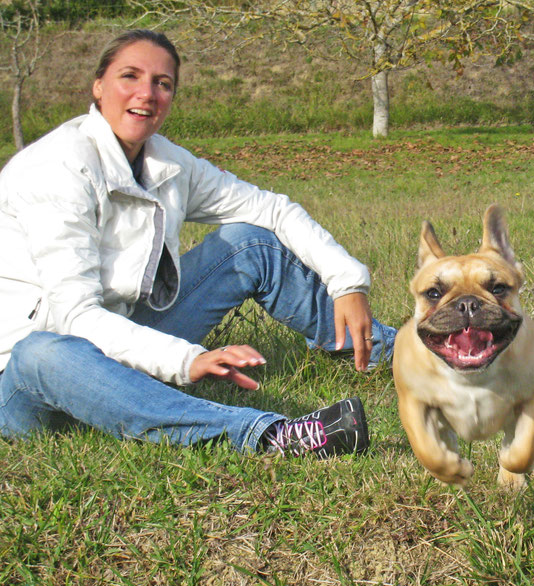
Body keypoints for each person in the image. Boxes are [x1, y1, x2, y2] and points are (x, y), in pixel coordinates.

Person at [0, 29, 396, 458]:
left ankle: (406, 355)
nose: (147, 93)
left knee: (250, 244)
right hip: (32, 375)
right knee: (42, 353)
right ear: (98, 86)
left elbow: (272, 210)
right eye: (129, 76)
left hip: (125, 338)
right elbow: (74, 317)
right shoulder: (57, 169)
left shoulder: (167, 163)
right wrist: (186, 359)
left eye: (162, 83)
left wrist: (348, 283)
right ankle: (270, 436)